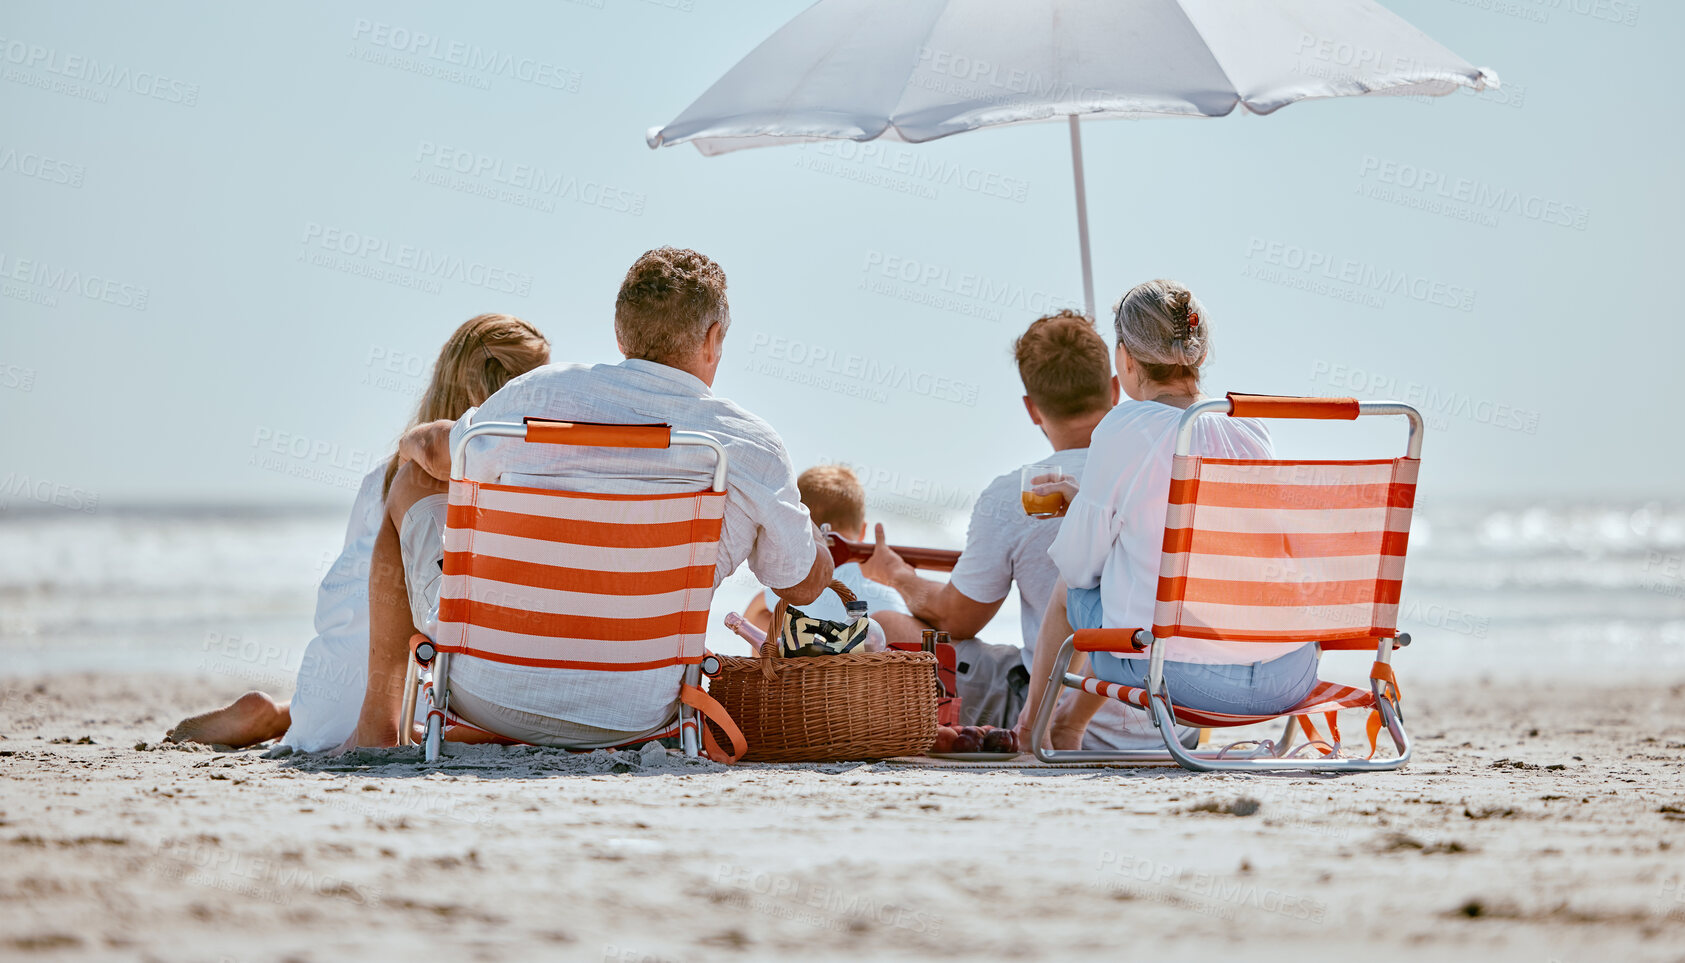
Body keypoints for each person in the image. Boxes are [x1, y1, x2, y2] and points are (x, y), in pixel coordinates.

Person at [353, 247, 835, 748]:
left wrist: (413, 444)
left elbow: (440, 450)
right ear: (714, 339)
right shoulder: (747, 445)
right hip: (639, 711)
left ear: (620, 331)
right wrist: (815, 547)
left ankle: (375, 731)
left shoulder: (535, 396)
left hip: (487, 692)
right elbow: (798, 585)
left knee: (411, 483)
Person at [165, 314, 551, 749]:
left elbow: (354, 591)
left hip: (320, 707)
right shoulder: (521, 480)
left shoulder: (382, 481)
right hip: (415, 713)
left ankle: (283, 714)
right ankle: (285, 715)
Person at [1020, 279, 1315, 751]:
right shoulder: (1250, 429)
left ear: (1127, 360)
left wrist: (1089, 514)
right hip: (1289, 675)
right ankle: (1070, 725)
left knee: (1070, 587)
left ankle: (1031, 728)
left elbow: (1078, 567)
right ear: (1198, 356)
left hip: (1181, 679)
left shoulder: (1126, 425)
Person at [859, 310, 1166, 743]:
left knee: (887, 625)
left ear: (1031, 409)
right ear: (1115, 390)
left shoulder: (1014, 495)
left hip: (1059, 713)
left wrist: (895, 575)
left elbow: (957, 620)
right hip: (1172, 718)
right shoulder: (1158, 477)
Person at [742, 465, 925, 645]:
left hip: (810, 671)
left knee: (762, 620)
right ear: (863, 530)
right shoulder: (890, 588)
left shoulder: (796, 586)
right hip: (879, 669)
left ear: (802, 527)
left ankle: (770, 674)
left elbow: (751, 614)